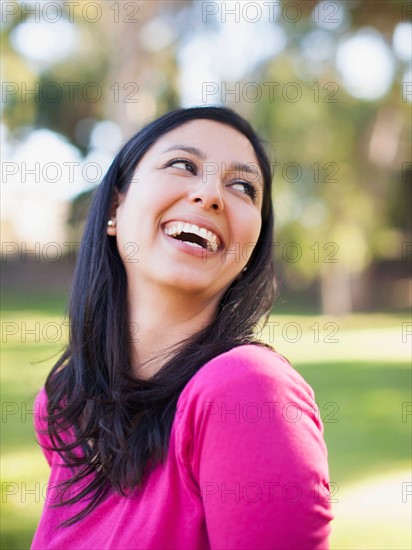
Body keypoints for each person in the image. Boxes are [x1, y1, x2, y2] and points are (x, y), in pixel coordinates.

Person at [31, 106, 333, 549]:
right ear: (116, 204)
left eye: (243, 187)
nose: (211, 194)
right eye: (182, 165)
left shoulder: (246, 392)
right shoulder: (68, 407)